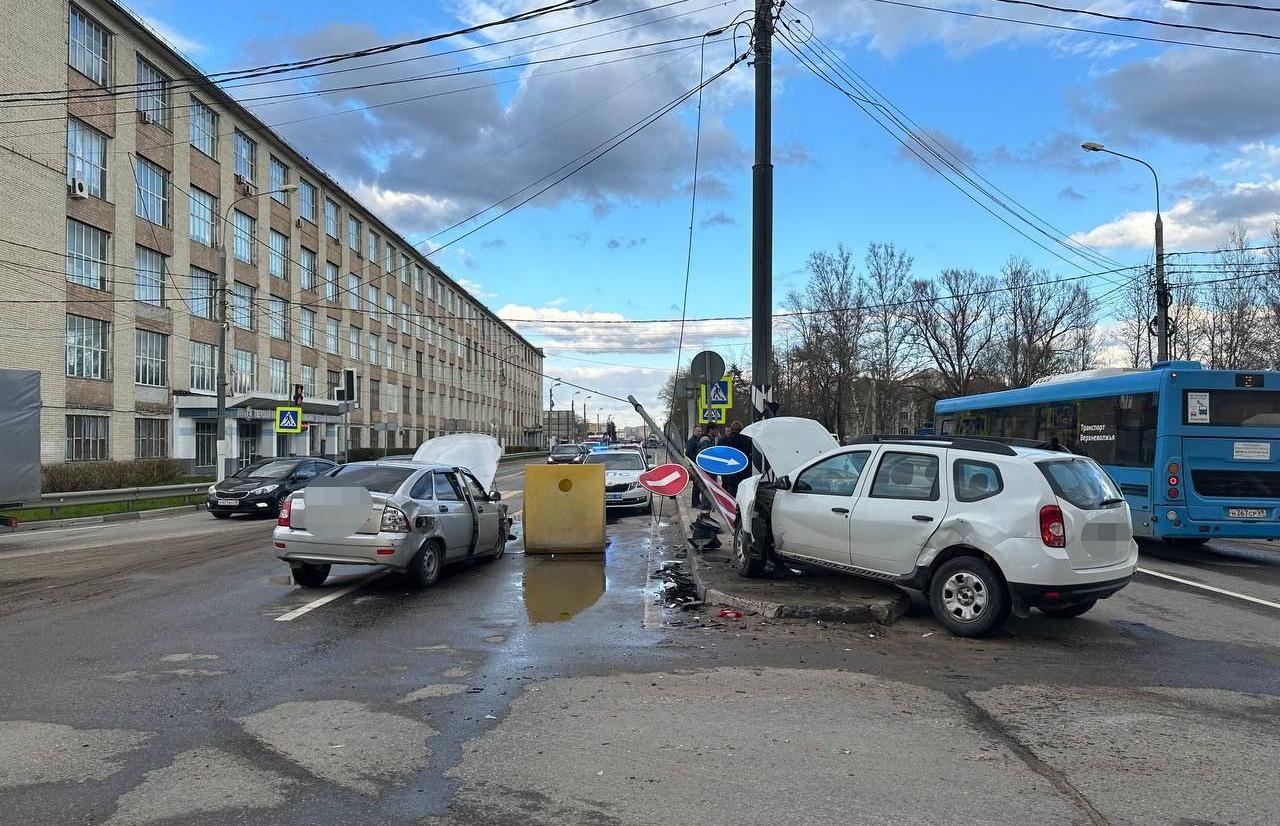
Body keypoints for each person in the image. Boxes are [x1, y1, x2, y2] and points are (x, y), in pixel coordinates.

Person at [719, 420, 753, 495]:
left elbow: (720, 455)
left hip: (729, 472)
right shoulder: (747, 441)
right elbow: (751, 455)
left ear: (731, 429)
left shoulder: (724, 441)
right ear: (742, 429)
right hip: (744, 471)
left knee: (730, 494)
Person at [686, 426, 705, 507]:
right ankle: (695, 503)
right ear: (694, 431)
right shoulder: (692, 441)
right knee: (696, 485)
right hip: (695, 465)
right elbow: (688, 453)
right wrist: (697, 459)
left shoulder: (697, 440)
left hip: (697, 465)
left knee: (698, 485)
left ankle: (697, 502)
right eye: (698, 431)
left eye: (700, 431)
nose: (700, 432)